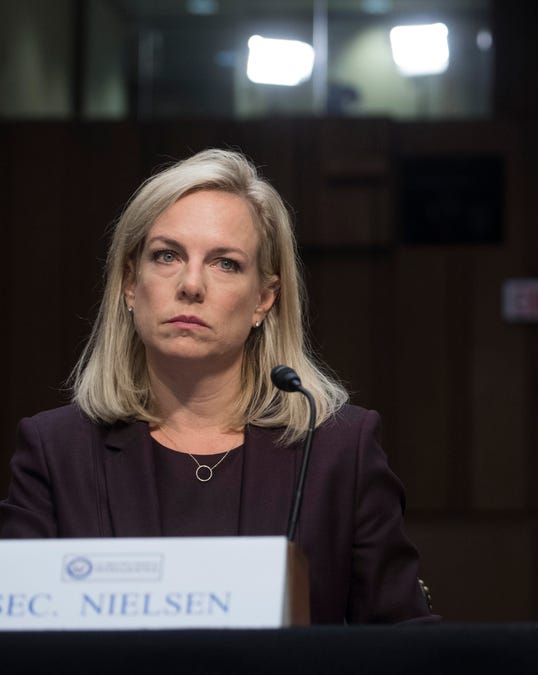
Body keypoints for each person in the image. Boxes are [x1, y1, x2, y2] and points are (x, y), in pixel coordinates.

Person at [0, 149, 435, 624]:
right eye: (167, 255)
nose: (191, 284)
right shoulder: (55, 452)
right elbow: (20, 638)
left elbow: (404, 645)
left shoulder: (339, 452)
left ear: (263, 299)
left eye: (225, 263)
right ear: (129, 283)